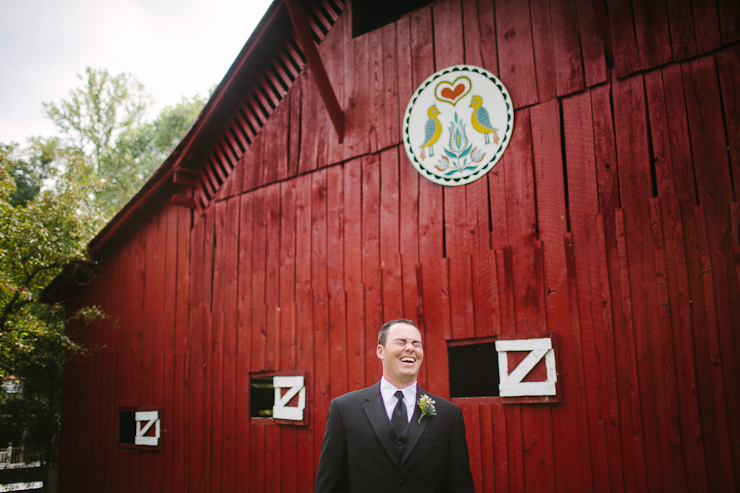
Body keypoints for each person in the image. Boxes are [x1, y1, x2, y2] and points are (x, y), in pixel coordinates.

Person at [315, 319, 475, 492]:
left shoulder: (449, 415)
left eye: (416, 344)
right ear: (380, 351)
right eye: (401, 342)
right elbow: (329, 486)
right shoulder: (344, 410)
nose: (410, 348)